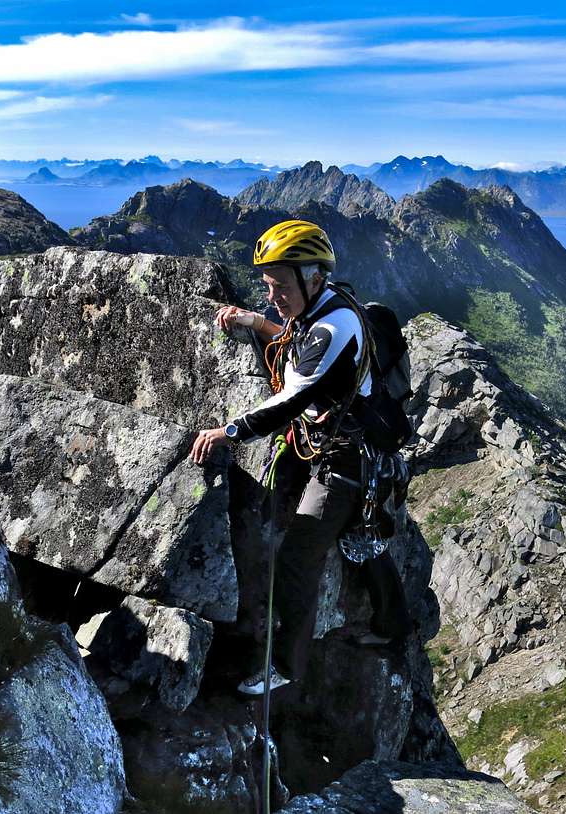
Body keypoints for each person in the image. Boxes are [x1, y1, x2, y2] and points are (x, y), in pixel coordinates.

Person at [189, 219, 411, 696]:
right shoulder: (325, 308)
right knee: (361, 540)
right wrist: (253, 322)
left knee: (297, 557)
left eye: (280, 287)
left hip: (345, 461)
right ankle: (396, 623)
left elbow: (290, 400)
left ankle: (286, 666)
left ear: (312, 279)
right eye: (268, 287)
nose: (273, 297)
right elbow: (296, 348)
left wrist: (226, 433)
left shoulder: (334, 327)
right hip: (334, 443)